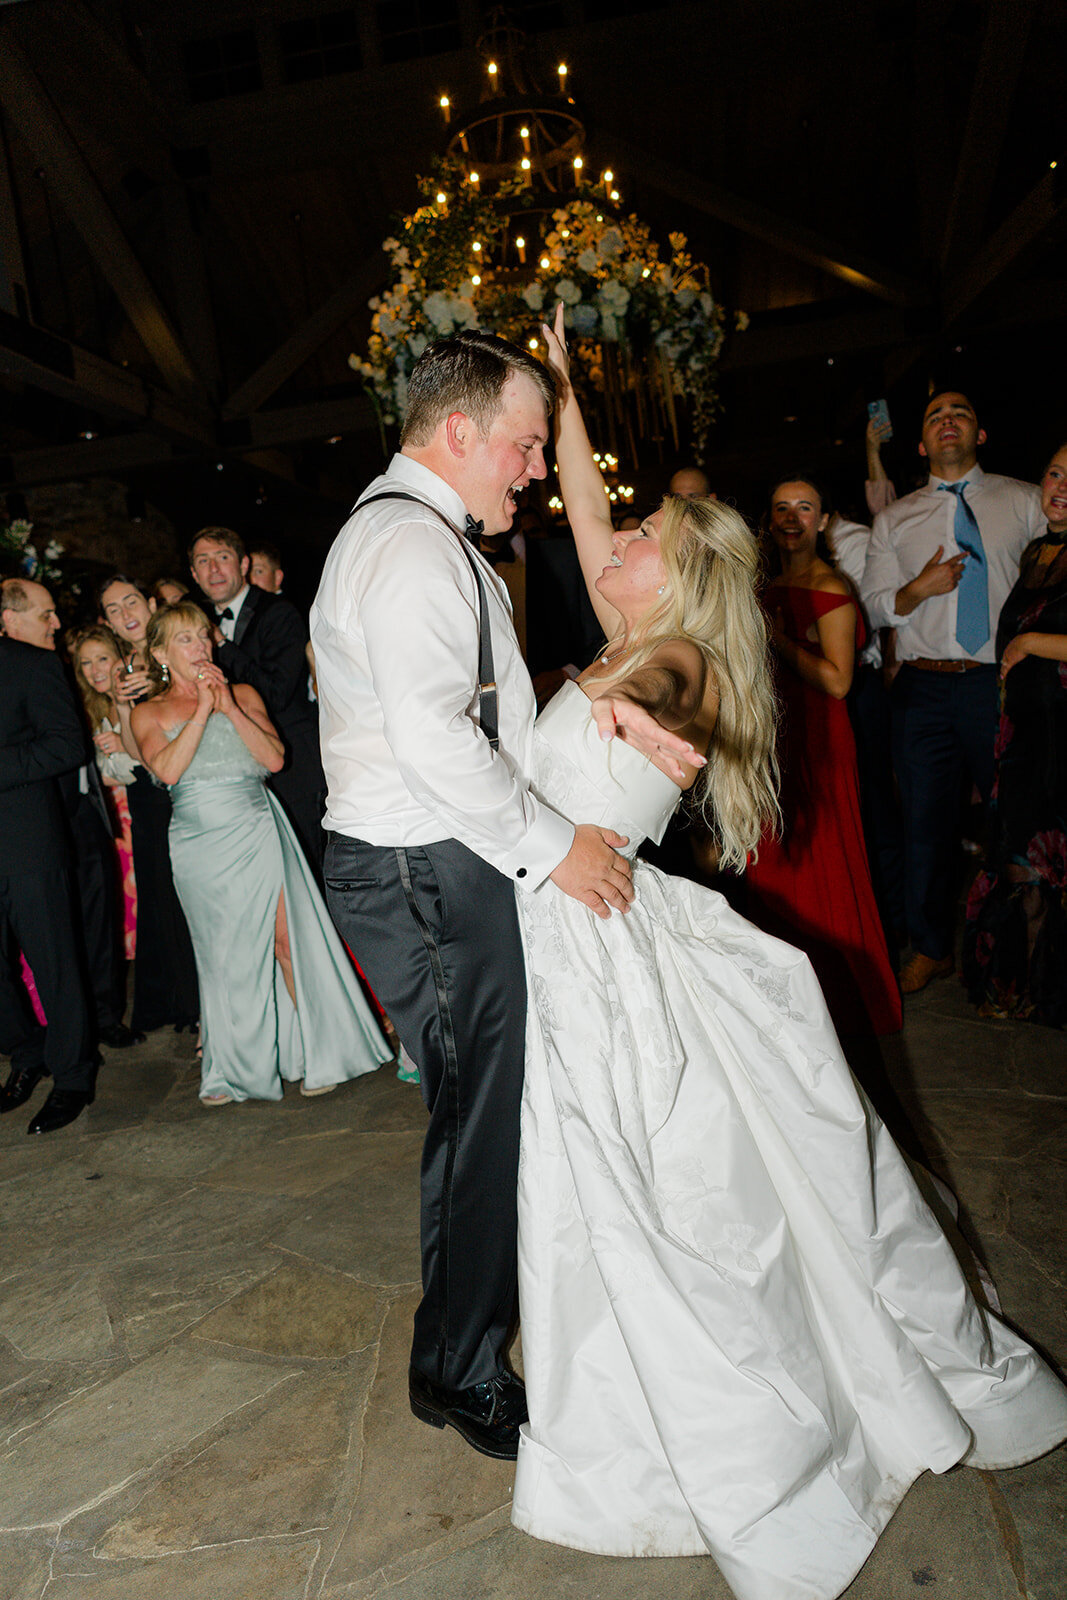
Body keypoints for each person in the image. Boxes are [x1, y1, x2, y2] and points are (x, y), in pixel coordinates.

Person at [507, 307, 1067, 1598]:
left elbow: (645, 711)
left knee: (668, 1200)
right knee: (613, 1188)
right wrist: (561, 385)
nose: (618, 541)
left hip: (599, 950)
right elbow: (587, 519)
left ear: (679, 577)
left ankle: (730, 1430)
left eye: (640, 539)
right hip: (571, 926)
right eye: (626, 530)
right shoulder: (634, 621)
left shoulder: (678, 669)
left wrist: (607, 703)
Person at [311, 327, 697, 1461]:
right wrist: (554, 850)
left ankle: (463, 1349)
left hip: (438, 857)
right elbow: (434, 742)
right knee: (474, 1122)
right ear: (461, 432)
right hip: (423, 866)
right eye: (524, 446)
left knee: (478, 1115)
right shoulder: (409, 548)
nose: (532, 467)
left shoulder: (425, 538)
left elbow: (460, 712)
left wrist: (584, 705)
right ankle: (462, 1369)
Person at [131, 602, 391, 1105]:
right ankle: (234, 1070)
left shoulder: (243, 694)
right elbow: (167, 771)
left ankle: (321, 1054)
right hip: (198, 842)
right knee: (224, 957)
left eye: (203, 637)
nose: (201, 648)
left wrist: (227, 706)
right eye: (186, 640)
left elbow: (274, 757)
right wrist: (203, 710)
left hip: (254, 825)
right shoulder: (149, 711)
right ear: (160, 652)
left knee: (286, 942)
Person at [864, 391, 1045, 993]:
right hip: (922, 689)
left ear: (980, 434)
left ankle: (1020, 945)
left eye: (961, 412)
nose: (948, 420)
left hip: (998, 682)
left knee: (1014, 817)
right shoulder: (895, 519)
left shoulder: (1023, 500)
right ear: (920, 443)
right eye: (935, 415)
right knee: (924, 824)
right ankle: (933, 947)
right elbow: (874, 604)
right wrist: (916, 590)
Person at [746, 477, 901, 1036]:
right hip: (771, 741)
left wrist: (776, 640)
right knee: (777, 866)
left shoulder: (831, 586)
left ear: (824, 520)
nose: (791, 517)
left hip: (819, 741)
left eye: (804, 507)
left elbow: (837, 682)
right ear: (768, 520)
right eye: (781, 506)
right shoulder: (761, 585)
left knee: (823, 860)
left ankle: (839, 998)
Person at [3, 579, 135, 1049]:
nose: (55, 625)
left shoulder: (47, 667)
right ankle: (38, 1039)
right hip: (30, 823)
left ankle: (102, 1016)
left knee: (94, 921)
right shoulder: (43, 667)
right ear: (10, 618)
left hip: (76, 813)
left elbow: (67, 745)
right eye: (45, 615)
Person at [963, 442, 1067, 1025]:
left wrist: (1028, 645)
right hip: (1023, 734)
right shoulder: (1036, 552)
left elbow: (1027, 639)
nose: (1061, 486)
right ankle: (1019, 983)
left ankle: (1041, 991)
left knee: (1046, 864)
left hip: (1062, 738)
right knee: (1018, 860)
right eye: (1054, 472)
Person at [0, 629, 97, 1134]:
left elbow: (67, 745)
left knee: (55, 964)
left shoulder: (31, 664)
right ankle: (27, 1049)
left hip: (26, 843)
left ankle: (73, 1078)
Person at [97, 574, 199, 1036]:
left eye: (131, 602)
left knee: (193, 893)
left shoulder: (183, 642)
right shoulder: (122, 667)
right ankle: (181, 1001)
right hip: (148, 791)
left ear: (150, 602)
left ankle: (203, 1001)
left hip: (193, 782)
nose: (126, 615)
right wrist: (122, 706)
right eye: (114, 610)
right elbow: (135, 753)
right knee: (161, 895)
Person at [189, 528, 325, 871]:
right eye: (203, 562)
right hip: (237, 779)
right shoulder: (195, 625)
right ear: (193, 574)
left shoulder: (279, 613)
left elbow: (278, 694)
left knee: (309, 870)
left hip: (294, 769)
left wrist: (221, 645)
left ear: (243, 564)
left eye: (222, 557)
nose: (214, 569)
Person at [69, 626, 138, 962]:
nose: (95, 670)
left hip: (141, 813)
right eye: (85, 663)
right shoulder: (89, 709)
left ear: (120, 660)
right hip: (109, 818)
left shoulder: (140, 699)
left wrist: (124, 743)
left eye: (102, 659)